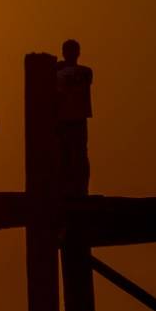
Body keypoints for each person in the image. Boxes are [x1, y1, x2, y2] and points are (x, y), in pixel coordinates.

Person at [56, 38, 93, 196]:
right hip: (68, 118)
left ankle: (77, 188)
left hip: (74, 118)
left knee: (75, 155)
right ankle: (74, 188)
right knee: (70, 154)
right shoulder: (85, 72)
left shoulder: (83, 72)